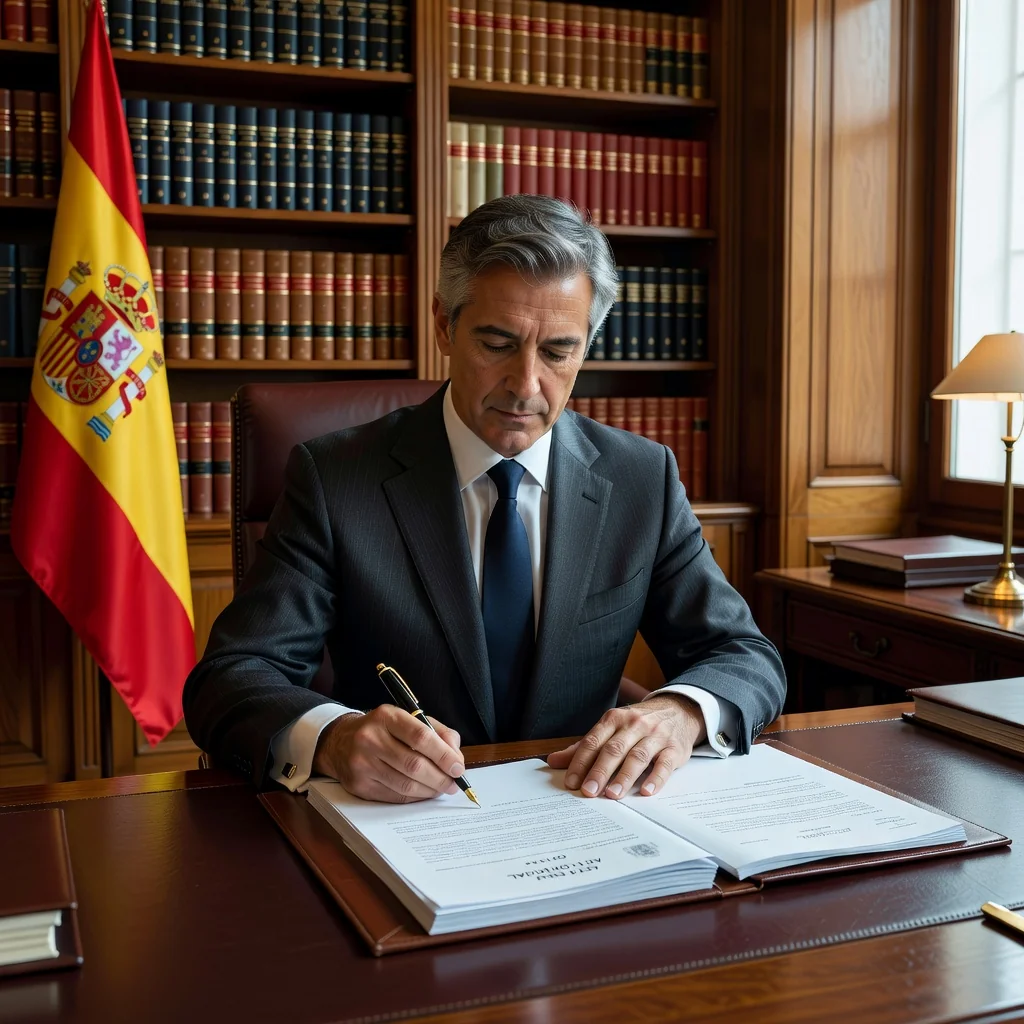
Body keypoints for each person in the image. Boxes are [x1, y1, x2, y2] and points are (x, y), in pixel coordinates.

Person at [183, 195, 786, 804]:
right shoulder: (336, 477)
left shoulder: (641, 478)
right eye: (497, 344)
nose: (527, 386)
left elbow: (743, 654)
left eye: (558, 352)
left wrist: (680, 712)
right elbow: (231, 679)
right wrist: (335, 737)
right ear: (445, 325)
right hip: (404, 825)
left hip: (588, 816)